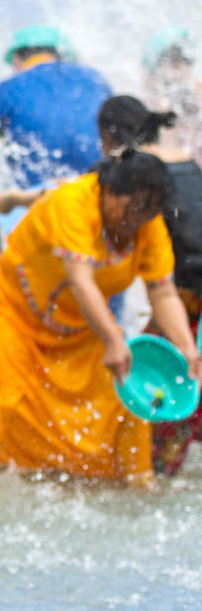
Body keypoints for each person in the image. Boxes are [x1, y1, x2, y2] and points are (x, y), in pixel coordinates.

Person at [0, 151, 202, 482]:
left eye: (149, 211)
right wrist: (112, 340)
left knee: (121, 405)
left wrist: (187, 348)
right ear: (108, 190)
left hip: (84, 323)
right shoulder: (73, 203)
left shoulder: (146, 224)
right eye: (132, 207)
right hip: (21, 314)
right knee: (11, 405)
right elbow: (81, 280)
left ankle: (128, 485)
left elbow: (163, 292)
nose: (136, 219)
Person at [97, 96, 202, 474]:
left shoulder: (138, 175)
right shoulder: (187, 161)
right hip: (189, 296)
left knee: (155, 388)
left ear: (110, 137)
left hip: (186, 298)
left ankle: (153, 480)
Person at [0, 25, 111, 246]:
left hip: (34, 206)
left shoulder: (4, 90)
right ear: (58, 55)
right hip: (95, 198)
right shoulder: (96, 79)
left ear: (17, 59)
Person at [142, 27, 202, 161]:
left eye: (185, 57)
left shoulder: (197, 97)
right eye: (173, 56)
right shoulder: (149, 105)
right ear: (156, 64)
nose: (180, 63)